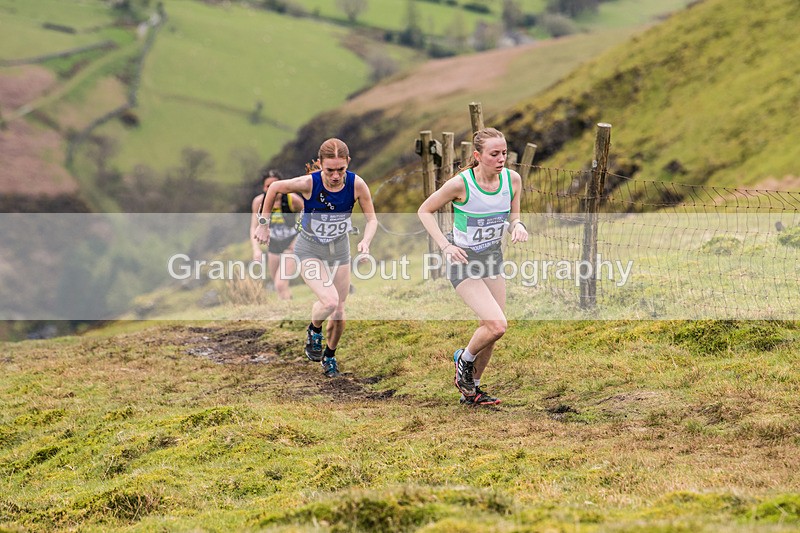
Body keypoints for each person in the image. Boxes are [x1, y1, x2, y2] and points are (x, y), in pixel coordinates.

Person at [417, 127, 528, 406]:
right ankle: (463, 359)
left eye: (504, 152)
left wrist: (518, 226)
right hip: (463, 260)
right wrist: (446, 245)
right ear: (478, 156)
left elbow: (514, 215)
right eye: (494, 154)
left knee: (490, 332)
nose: (501, 158)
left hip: (491, 257)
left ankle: (472, 390)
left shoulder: (512, 180)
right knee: (497, 325)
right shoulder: (461, 184)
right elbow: (424, 210)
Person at [254, 138, 377, 377]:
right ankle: (314, 328)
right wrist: (263, 223)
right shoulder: (309, 183)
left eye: (340, 170)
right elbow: (275, 188)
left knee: (340, 311)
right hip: (308, 249)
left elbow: (372, 219)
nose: (335, 176)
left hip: (339, 250)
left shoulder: (356, 184)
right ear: (320, 164)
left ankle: (329, 357)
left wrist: (366, 242)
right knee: (329, 302)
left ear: (348, 163)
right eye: (329, 170)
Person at [250, 168, 304, 300]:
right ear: (264, 187)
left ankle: (288, 314)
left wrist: (298, 239)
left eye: (276, 184)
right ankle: (288, 308)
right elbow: (254, 227)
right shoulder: (259, 202)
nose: (272, 188)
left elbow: (309, 217)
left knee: (280, 284)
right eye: (269, 185)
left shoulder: (293, 200)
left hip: (291, 245)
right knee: (278, 285)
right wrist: (256, 250)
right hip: (273, 245)